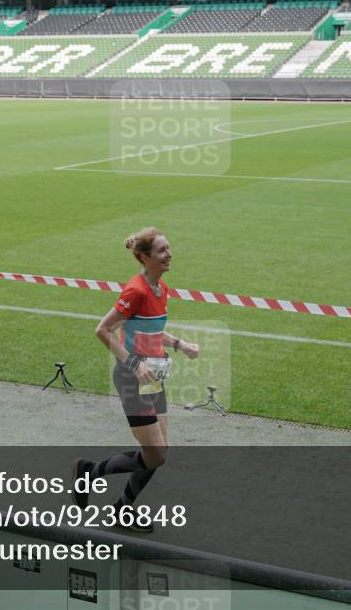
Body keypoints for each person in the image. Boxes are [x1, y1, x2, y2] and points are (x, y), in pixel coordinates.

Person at [72, 227, 199, 533]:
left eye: (169, 248)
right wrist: (132, 363)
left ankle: (122, 508)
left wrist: (181, 345)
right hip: (132, 379)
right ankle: (90, 472)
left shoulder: (161, 289)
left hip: (153, 377)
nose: (169, 254)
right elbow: (103, 330)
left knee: (159, 453)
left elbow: (153, 331)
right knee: (155, 454)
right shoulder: (136, 291)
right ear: (144, 257)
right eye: (161, 251)